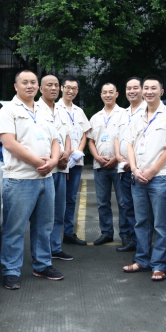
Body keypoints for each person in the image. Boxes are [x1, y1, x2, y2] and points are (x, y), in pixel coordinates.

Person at [0, 69, 64, 290]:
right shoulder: (8, 111)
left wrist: (53, 161)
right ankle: (11, 271)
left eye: (33, 82)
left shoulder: (44, 111)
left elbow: (55, 140)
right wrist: (38, 163)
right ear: (16, 86)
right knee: (15, 228)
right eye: (24, 82)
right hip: (20, 179)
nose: (30, 86)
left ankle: (42, 264)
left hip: (46, 177)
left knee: (44, 226)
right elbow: (9, 143)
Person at [123, 75, 166, 282]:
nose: (149, 92)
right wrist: (134, 169)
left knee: (160, 224)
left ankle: (158, 265)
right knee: (141, 222)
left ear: (161, 92)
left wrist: (151, 171)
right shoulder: (137, 117)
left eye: (153, 88)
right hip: (138, 176)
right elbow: (130, 145)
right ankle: (142, 260)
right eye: (146, 88)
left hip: (160, 177)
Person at [35, 74, 74, 262]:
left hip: (61, 168)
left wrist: (67, 153)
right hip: (45, 169)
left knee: (59, 210)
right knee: (43, 215)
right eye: (49, 85)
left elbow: (67, 135)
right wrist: (55, 157)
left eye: (56, 85)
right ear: (41, 89)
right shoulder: (35, 110)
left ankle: (55, 247)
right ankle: (41, 252)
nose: (53, 88)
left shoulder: (61, 110)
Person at [87, 83, 130, 246]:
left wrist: (116, 158)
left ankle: (125, 234)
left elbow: (128, 138)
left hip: (119, 166)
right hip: (100, 166)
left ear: (117, 94)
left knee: (123, 202)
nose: (107, 95)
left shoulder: (124, 114)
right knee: (102, 202)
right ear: (101, 95)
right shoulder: (95, 117)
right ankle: (106, 232)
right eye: (104, 92)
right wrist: (97, 157)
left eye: (111, 92)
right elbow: (91, 141)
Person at [55, 76, 91, 247]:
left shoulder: (79, 111)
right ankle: (54, 236)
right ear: (62, 88)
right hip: (60, 161)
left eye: (74, 88)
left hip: (75, 162)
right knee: (57, 199)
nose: (71, 91)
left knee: (71, 198)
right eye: (68, 87)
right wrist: (63, 155)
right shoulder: (55, 108)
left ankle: (68, 233)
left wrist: (79, 151)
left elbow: (85, 133)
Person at [113, 77, 145, 253]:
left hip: (140, 169)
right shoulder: (123, 113)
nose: (131, 91)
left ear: (142, 90)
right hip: (123, 169)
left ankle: (143, 246)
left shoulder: (148, 111)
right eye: (128, 88)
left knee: (142, 210)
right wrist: (118, 156)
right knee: (128, 207)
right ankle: (133, 241)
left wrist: (132, 163)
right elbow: (117, 137)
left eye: (135, 88)